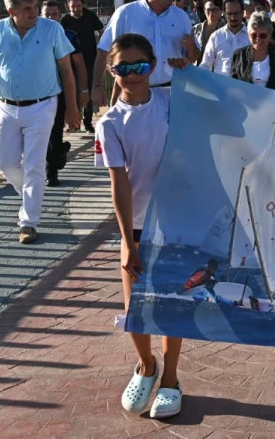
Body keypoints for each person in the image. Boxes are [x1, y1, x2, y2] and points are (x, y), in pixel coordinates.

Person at [94, 33, 182, 420]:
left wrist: (191, 68)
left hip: (177, 221)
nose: (133, 75)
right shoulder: (110, 123)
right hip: (139, 226)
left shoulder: (171, 102)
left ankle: (172, 380)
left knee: (174, 306)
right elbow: (119, 182)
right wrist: (127, 240)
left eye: (140, 67)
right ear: (112, 71)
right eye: (123, 68)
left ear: (153, 65)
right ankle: (146, 365)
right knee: (135, 309)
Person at [0, 0, 80, 244]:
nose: (34, 13)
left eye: (35, 7)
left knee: (35, 164)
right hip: (5, 106)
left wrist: (72, 107)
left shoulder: (52, 29)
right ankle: (31, 193)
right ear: (11, 11)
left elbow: (66, 70)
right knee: (5, 163)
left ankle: (28, 222)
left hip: (42, 106)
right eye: (28, 9)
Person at [92, 0, 196, 109]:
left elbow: (193, 57)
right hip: (133, 94)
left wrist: (190, 50)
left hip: (172, 93)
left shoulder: (181, 17)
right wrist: (97, 86)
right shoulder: (125, 13)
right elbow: (104, 51)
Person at [41, 0, 89, 188]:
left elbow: (79, 64)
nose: (51, 18)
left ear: (60, 15)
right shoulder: (33, 36)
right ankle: (58, 153)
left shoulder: (68, 35)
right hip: (39, 93)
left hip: (61, 92)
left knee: (54, 132)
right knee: (42, 134)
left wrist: (83, 90)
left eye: (54, 14)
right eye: (47, 14)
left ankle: (51, 173)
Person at [61, 0, 104, 132]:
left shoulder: (90, 16)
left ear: (83, 5)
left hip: (90, 59)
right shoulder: (65, 20)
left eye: (78, 6)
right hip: (72, 61)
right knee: (73, 91)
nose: (76, 9)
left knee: (89, 91)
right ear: (68, 6)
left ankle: (88, 122)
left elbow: (102, 31)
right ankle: (75, 121)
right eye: (73, 6)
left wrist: (104, 49)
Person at [229, 12, 275, 93]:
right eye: (254, 35)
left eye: (263, 35)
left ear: (270, 35)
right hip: (248, 103)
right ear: (248, 35)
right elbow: (233, 86)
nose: (258, 39)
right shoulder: (239, 55)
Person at [200, 0, 250, 75]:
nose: (233, 17)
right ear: (224, 13)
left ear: (242, 13)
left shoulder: (252, 37)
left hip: (245, 86)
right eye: (229, 14)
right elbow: (205, 66)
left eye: (236, 13)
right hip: (221, 86)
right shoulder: (216, 37)